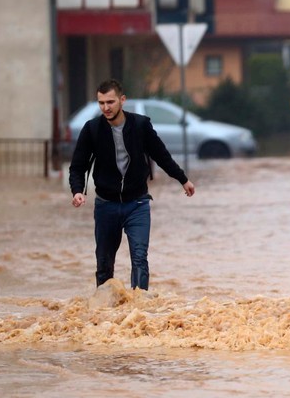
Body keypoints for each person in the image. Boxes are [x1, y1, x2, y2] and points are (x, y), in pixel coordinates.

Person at [69, 79, 195, 290]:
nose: (106, 108)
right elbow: (77, 165)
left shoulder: (140, 125)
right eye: (101, 103)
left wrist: (183, 179)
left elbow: (161, 155)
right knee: (104, 264)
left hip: (137, 203)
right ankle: (106, 313)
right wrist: (77, 191)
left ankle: (138, 310)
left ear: (122, 100)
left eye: (110, 102)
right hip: (106, 205)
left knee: (139, 258)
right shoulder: (92, 129)